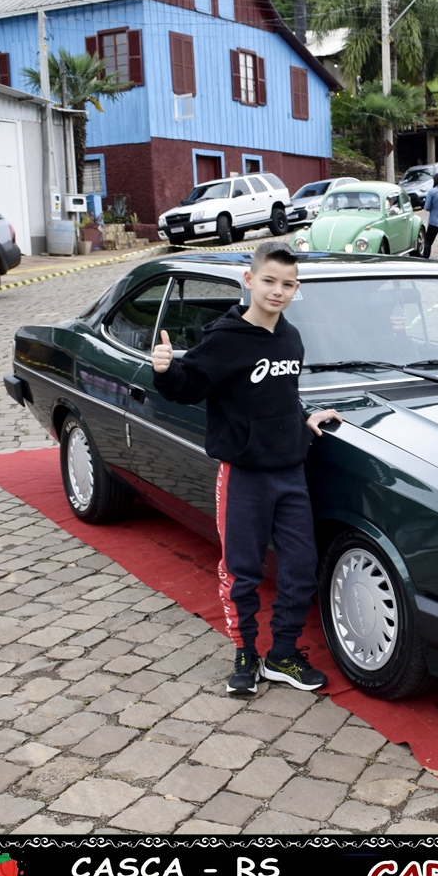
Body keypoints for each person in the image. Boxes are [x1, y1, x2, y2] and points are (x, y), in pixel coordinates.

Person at [150, 241, 342, 695]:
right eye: (269, 281)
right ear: (249, 280)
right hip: (244, 476)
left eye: (288, 284)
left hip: (290, 473)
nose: (277, 291)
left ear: (296, 288)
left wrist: (303, 419)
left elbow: (280, 396)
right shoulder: (225, 339)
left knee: (301, 567)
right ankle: (245, 654)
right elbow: (186, 387)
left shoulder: (291, 338)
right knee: (242, 570)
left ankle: (282, 655)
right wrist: (165, 369)